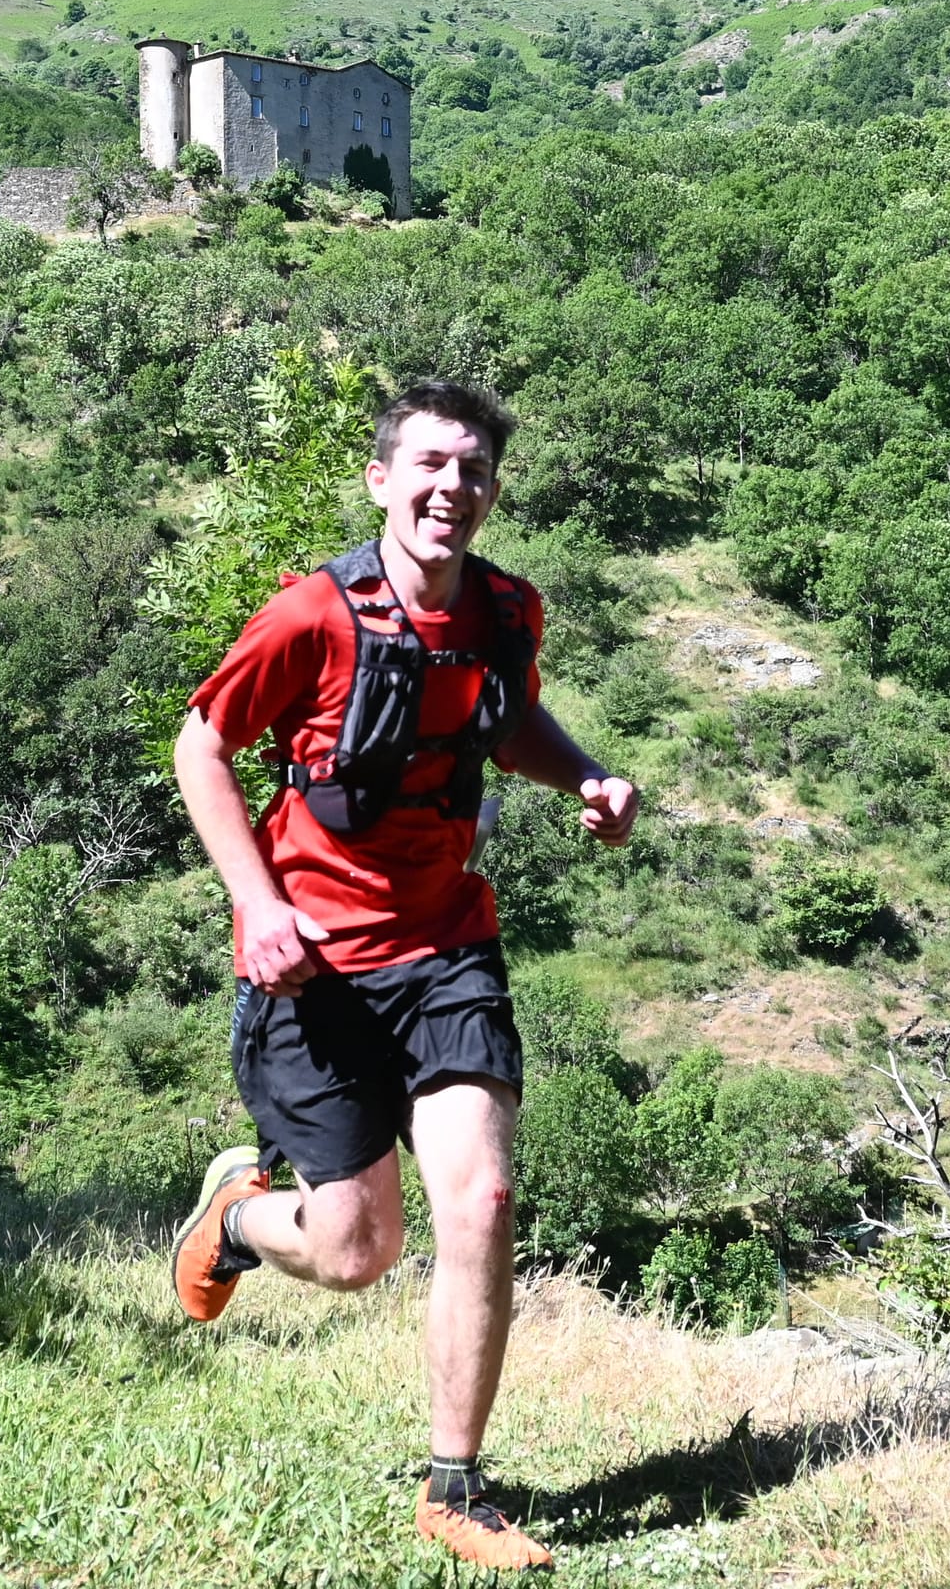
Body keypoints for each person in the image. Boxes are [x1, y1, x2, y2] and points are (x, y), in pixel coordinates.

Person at [170, 379, 638, 1573]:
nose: (453, 488)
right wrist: (256, 900)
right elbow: (202, 744)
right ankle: (237, 1217)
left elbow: (508, 723)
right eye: (430, 464)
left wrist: (583, 775)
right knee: (353, 1253)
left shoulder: (504, 611)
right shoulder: (311, 617)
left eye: (475, 470)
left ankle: (454, 1487)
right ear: (381, 478)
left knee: (478, 1199)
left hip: (446, 948)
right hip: (313, 968)